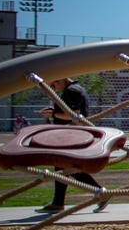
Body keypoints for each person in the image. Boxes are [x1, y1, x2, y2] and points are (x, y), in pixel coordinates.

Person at [39, 76, 101, 212]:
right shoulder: (77, 89)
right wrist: (54, 112)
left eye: (53, 86)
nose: (54, 89)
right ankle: (58, 202)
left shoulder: (71, 91)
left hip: (70, 135)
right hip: (73, 134)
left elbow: (74, 115)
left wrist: (53, 114)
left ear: (58, 80)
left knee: (67, 168)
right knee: (62, 169)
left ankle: (101, 192)